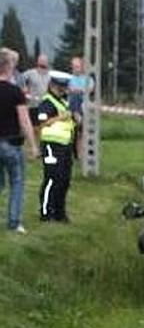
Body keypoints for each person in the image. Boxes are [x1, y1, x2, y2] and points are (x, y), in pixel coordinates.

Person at [0, 48, 40, 233]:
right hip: (11, 144)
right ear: (8, 67)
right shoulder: (16, 92)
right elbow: (24, 120)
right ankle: (14, 222)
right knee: (17, 181)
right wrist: (33, 145)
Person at [36, 71, 76, 223]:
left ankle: (60, 212)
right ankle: (46, 212)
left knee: (64, 180)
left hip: (65, 146)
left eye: (65, 87)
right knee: (52, 178)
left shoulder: (63, 102)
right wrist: (61, 117)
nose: (64, 89)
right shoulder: (47, 102)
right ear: (53, 85)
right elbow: (42, 122)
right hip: (51, 146)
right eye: (61, 87)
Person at [67, 57, 93, 159]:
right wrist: (78, 90)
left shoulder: (88, 79)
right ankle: (77, 115)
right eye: (73, 67)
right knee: (74, 133)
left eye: (77, 67)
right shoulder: (69, 79)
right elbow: (69, 90)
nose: (75, 69)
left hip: (84, 107)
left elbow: (89, 89)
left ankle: (82, 152)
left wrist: (78, 90)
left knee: (82, 132)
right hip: (72, 108)